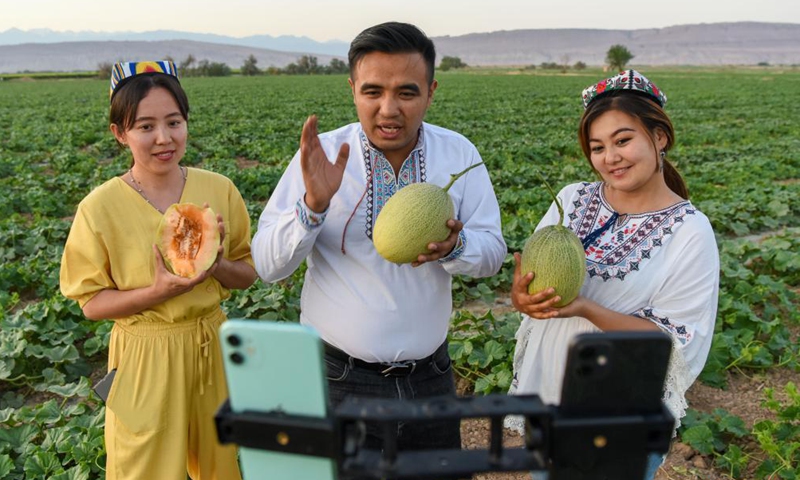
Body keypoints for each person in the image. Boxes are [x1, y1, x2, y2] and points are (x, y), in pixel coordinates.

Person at [251, 22, 506, 464]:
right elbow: (268, 264)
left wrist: (456, 247)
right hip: (338, 381)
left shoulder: (458, 154)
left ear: (431, 92)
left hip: (432, 378)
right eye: (373, 92)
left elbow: (493, 254)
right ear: (352, 90)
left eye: (406, 93)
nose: (388, 109)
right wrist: (312, 206)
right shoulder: (322, 156)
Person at [506, 70, 719, 480]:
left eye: (623, 141)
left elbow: (671, 341)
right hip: (550, 395)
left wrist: (585, 307)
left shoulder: (690, 231)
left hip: (621, 410)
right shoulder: (572, 199)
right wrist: (522, 298)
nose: (610, 157)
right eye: (597, 147)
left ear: (659, 137)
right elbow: (532, 293)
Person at [59, 60, 257, 480]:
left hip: (211, 346)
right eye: (145, 126)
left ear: (186, 122)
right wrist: (157, 293)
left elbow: (247, 274)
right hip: (144, 356)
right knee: (142, 469)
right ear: (120, 133)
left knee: (220, 468)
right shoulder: (99, 208)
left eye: (174, 121)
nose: (164, 138)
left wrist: (217, 262)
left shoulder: (219, 189)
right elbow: (92, 304)